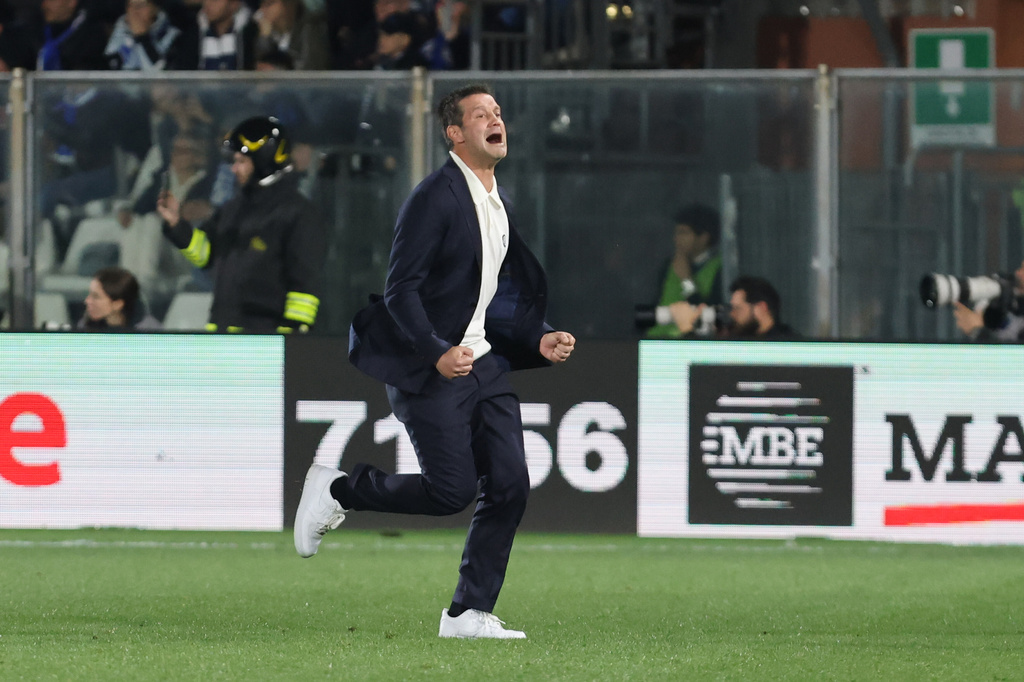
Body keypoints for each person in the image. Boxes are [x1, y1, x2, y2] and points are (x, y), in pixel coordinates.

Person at [293, 83, 576, 640]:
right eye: (481, 115)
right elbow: (400, 291)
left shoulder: (497, 201)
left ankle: (467, 613)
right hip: (433, 365)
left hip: (484, 362)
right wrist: (437, 352)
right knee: (451, 492)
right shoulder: (435, 197)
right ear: (454, 132)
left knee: (512, 483)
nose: (497, 120)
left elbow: (488, 298)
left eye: (499, 111)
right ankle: (338, 490)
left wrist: (538, 338)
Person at [156, 115, 326, 332]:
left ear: (264, 162)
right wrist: (177, 225)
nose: (234, 169)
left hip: (265, 338)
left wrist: (289, 339)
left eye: (241, 162)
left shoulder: (299, 214)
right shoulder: (233, 207)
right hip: (224, 332)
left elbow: (304, 285)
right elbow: (205, 254)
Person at [644, 202, 723, 338]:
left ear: (703, 238)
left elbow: (711, 318)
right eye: (676, 233)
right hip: (656, 340)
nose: (676, 239)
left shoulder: (719, 269)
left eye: (683, 233)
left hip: (691, 342)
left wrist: (687, 281)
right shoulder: (669, 266)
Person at [172, 0, 257, 70]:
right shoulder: (191, 32)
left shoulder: (249, 33)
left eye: (215, 1)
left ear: (234, 4)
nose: (207, 4)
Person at [952, 260, 1024, 343]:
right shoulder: (1009, 305)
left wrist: (978, 331)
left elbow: (1015, 353)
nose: (1018, 273)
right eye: (1021, 268)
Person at [104, 0, 182, 70]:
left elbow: (163, 71)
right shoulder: (120, 31)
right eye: (130, 6)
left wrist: (143, 37)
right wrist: (131, 40)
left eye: (140, 5)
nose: (135, 11)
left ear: (154, 8)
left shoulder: (171, 36)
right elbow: (112, 66)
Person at [79, 266, 162, 330]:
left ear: (117, 304)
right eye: (89, 294)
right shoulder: (85, 325)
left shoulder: (150, 331)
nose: (87, 301)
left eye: (96, 297)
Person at [253, 0, 329, 70]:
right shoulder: (265, 32)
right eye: (261, 5)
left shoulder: (310, 28)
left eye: (269, 4)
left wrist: (277, 72)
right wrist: (264, 39)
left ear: (289, 5)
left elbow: (309, 70)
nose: (262, 11)